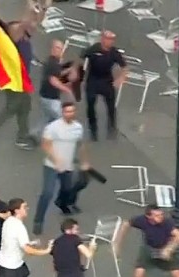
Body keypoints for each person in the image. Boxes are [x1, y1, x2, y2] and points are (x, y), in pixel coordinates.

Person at [0, 0, 51, 149]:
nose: (32, 28)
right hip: (12, 78)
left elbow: (35, 22)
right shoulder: (15, 39)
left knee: (25, 106)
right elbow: (25, 23)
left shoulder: (26, 39)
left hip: (21, 79)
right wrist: (29, 6)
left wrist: (45, 7)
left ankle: (21, 136)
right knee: (14, 105)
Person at [33, 102, 91, 235]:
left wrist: (84, 161)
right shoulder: (53, 127)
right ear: (62, 112)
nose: (69, 114)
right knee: (47, 193)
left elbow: (81, 145)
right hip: (51, 166)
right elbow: (46, 145)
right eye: (66, 111)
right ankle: (38, 221)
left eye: (71, 111)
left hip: (68, 166)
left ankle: (62, 203)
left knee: (67, 188)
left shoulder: (78, 127)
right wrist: (56, 160)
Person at [81, 31, 127, 141]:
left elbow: (124, 67)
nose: (110, 41)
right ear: (102, 39)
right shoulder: (94, 49)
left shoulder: (114, 52)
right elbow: (81, 57)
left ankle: (112, 128)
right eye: (108, 39)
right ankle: (93, 129)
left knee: (111, 106)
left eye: (112, 39)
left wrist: (121, 78)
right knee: (91, 104)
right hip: (93, 80)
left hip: (106, 81)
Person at [35, 39, 75, 139]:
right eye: (58, 48)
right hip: (50, 99)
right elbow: (53, 80)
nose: (60, 50)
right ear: (52, 49)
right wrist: (67, 90)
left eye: (61, 49)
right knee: (61, 118)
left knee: (48, 118)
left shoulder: (53, 62)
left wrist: (67, 70)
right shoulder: (52, 63)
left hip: (46, 97)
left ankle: (35, 135)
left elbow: (56, 74)